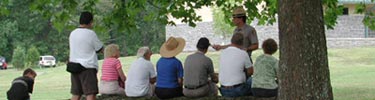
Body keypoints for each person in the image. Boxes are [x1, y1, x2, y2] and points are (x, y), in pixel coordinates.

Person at [68, 11, 104, 100]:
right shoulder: (90, 34)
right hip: (87, 67)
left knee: (76, 93)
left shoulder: (73, 33)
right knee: (90, 94)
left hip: (74, 66)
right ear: (91, 22)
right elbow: (99, 49)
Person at [219, 33, 253, 98]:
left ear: (231, 41)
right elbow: (250, 71)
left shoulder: (223, 52)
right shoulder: (243, 53)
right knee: (252, 80)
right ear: (242, 43)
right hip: (238, 89)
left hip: (223, 90)